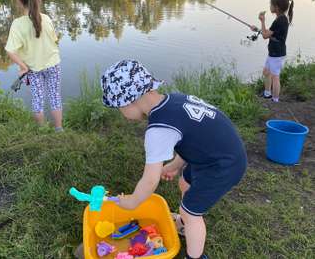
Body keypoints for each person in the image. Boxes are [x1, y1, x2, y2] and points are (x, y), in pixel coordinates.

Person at [100, 60, 247, 259]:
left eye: (119, 108)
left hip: (222, 166)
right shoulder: (173, 100)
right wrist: (175, 165)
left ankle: (194, 252)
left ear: (129, 100)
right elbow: (193, 137)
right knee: (185, 182)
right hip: (217, 153)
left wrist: (133, 201)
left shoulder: (158, 130)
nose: (122, 114)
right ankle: (185, 223)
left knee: (191, 213)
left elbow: (150, 180)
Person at [5, 0, 63, 131]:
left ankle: (42, 132)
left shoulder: (17, 24)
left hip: (32, 69)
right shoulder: (47, 18)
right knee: (55, 97)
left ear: (18, 0)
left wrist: (23, 66)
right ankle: (59, 129)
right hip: (53, 65)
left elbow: (10, 51)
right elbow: (55, 41)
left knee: (38, 100)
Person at [251, 0, 294, 102]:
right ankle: (267, 94)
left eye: (271, 4)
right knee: (266, 72)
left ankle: (275, 101)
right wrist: (258, 29)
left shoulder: (279, 20)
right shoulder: (281, 19)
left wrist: (262, 21)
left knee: (275, 77)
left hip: (277, 54)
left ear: (277, 7)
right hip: (274, 52)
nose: (269, 6)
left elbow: (265, 36)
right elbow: (269, 33)